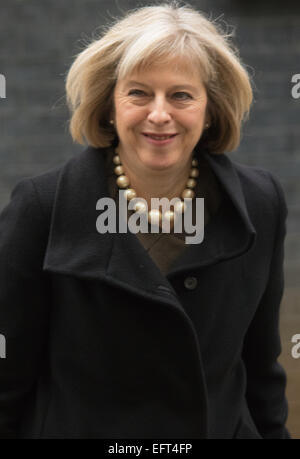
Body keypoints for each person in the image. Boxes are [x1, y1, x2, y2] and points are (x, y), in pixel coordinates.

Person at [0, 1, 290, 439]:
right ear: (108, 106)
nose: (159, 114)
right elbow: (7, 379)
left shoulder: (259, 203)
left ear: (210, 109)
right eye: (138, 93)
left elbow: (262, 370)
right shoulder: (41, 207)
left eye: (181, 95)